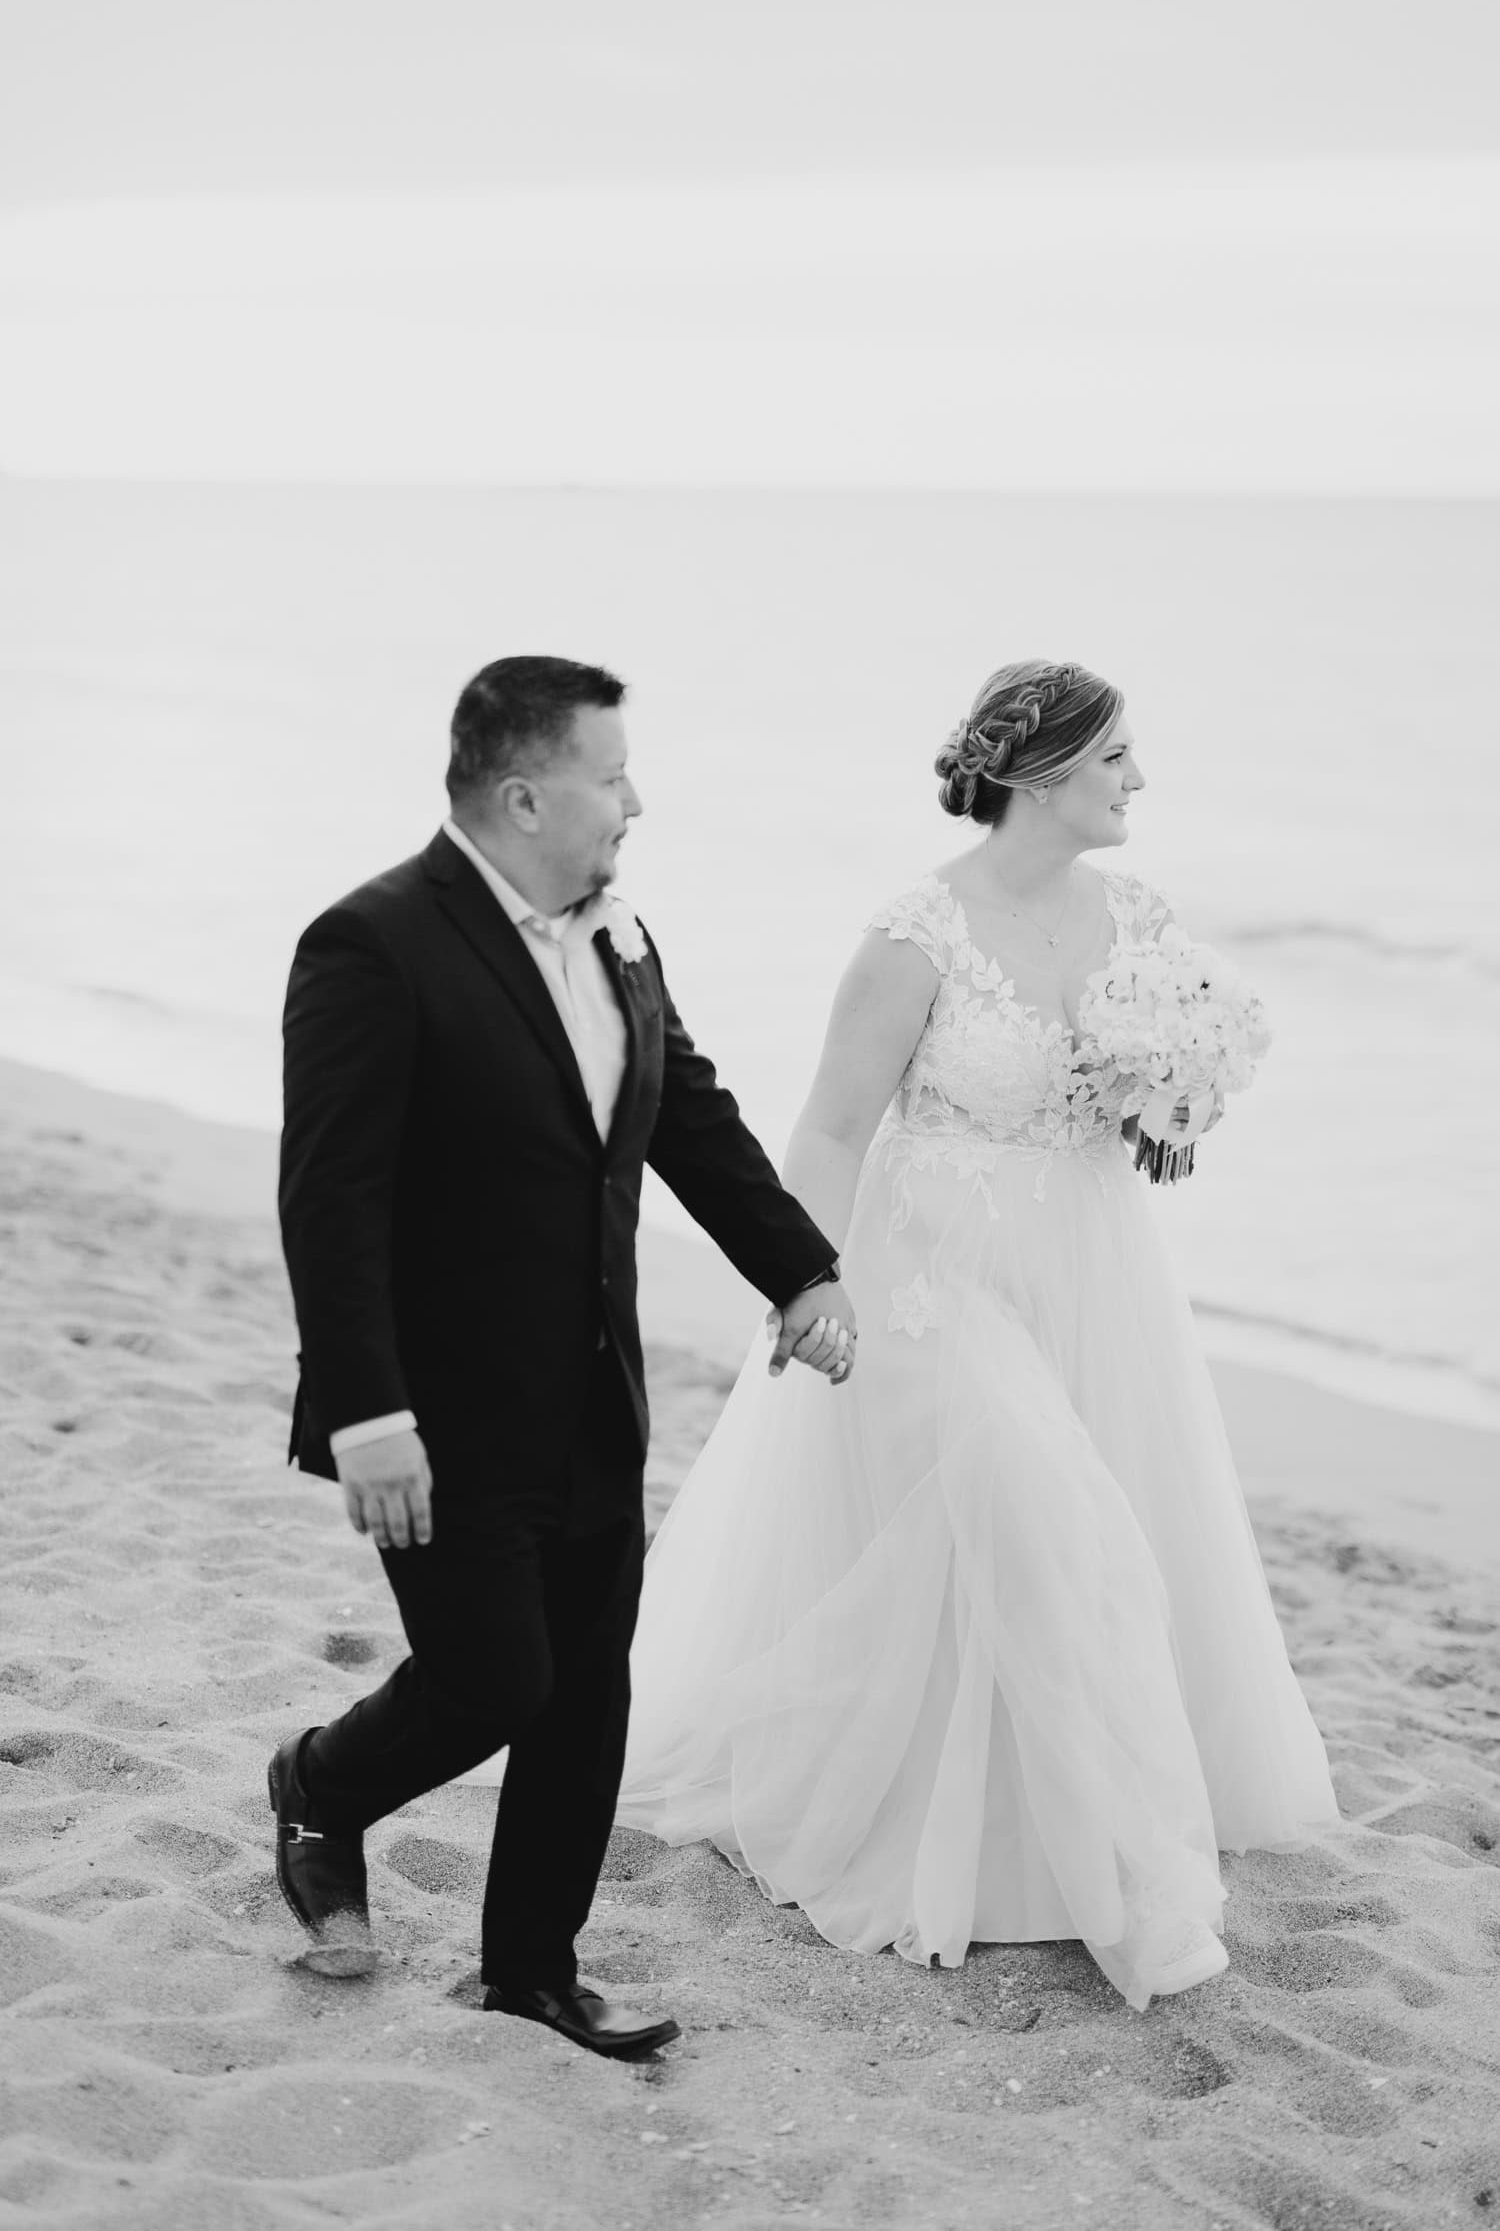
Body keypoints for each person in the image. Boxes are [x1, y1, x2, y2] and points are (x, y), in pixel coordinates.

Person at [616, 658, 1340, 2012]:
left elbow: (1145, 1116)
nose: (1139, 779)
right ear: (1040, 774)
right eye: (1117, 757)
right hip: (928, 1269)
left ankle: (1032, 1839)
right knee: (1043, 1506)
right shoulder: (917, 933)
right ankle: (1124, 1889)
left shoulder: (1139, 914)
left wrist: (1174, 1106)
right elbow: (832, 1123)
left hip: (1090, 1265)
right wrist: (800, 1280)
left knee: (1061, 1534)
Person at [272, 654, 856, 2058]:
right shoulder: (373, 944)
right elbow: (329, 1197)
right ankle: (316, 1785)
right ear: (527, 792)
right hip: (434, 1410)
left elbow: (689, 1115)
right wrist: (368, 1414)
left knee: (588, 1692)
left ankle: (531, 1969)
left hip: (596, 1390)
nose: (634, 799)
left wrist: (803, 1269)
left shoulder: (621, 937)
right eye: (612, 774)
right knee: (494, 1680)